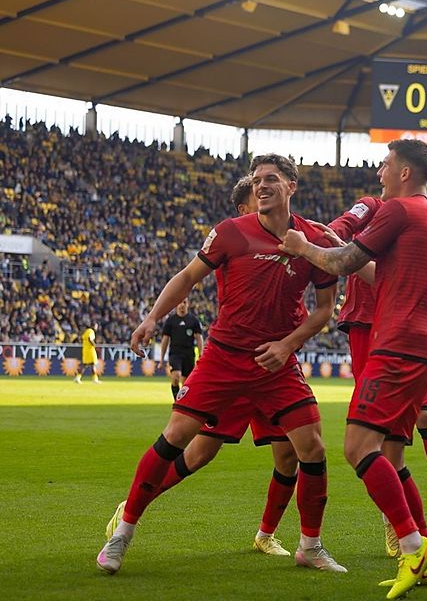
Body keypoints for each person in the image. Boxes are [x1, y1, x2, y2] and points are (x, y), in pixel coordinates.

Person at [96, 154, 344, 576]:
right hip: (224, 358)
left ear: (291, 186)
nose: (262, 185)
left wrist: (287, 345)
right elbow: (187, 277)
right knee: (178, 438)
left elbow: (324, 309)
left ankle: (310, 546)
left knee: (311, 449)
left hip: (275, 364)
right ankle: (123, 532)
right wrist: (153, 318)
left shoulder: (313, 239)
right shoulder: (230, 233)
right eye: (257, 179)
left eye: (271, 179)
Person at [280, 139, 427, 599]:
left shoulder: (397, 210)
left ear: (405, 173)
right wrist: (337, 245)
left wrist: (302, 246)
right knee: (389, 455)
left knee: (357, 447)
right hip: (420, 348)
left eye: (386, 164)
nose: (379, 171)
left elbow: (343, 263)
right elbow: (377, 274)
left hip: (395, 346)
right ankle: (419, 548)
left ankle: (415, 549)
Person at [327, 194, 427, 557]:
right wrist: (330, 241)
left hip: (405, 325)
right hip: (366, 322)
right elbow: (340, 228)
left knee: (425, 416)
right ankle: (405, 531)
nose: (382, 173)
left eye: (387, 166)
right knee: (383, 444)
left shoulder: (418, 215)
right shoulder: (374, 207)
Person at [160, 297, 204, 401]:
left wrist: (201, 353)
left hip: (189, 354)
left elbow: (199, 338)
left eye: (184, 302)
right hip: (175, 354)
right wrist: (162, 358)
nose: (182, 305)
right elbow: (165, 340)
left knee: (186, 383)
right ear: (176, 305)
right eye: (179, 302)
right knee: (176, 377)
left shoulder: (193, 321)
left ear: (188, 304)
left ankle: (183, 404)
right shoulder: (170, 321)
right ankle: (177, 401)